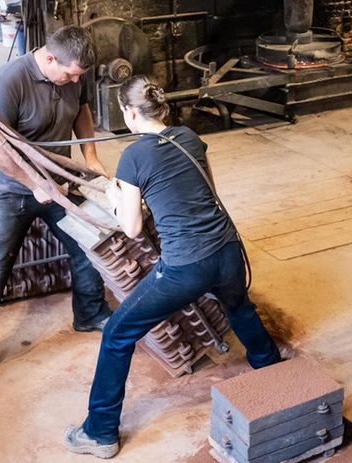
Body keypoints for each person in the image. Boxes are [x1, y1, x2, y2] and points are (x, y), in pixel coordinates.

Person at [64, 75, 283, 458]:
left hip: (186, 267)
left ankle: (99, 432)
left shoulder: (134, 156)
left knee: (117, 333)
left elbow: (131, 228)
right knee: (237, 307)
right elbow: (208, 192)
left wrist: (117, 196)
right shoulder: (189, 138)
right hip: (228, 250)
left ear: (130, 113)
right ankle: (273, 369)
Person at [0, 25, 114, 408]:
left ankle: (90, 314)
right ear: (49, 58)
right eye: (70, 74)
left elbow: (82, 110)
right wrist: (32, 182)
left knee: (91, 246)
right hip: (11, 188)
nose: (75, 81)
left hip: (58, 182)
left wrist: (90, 159)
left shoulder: (74, 73)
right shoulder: (9, 81)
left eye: (80, 77)